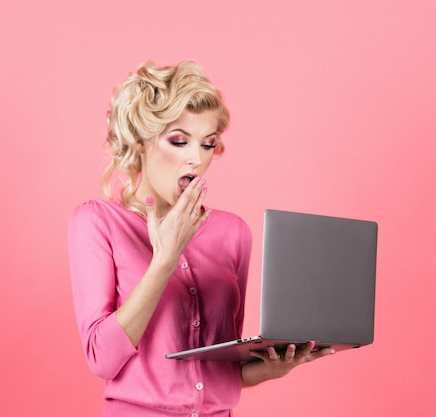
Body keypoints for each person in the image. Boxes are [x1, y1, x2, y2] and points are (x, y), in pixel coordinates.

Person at [68, 60, 334, 417]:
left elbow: (219, 367)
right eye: (179, 141)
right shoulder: (97, 223)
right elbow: (102, 359)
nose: (195, 158)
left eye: (207, 144)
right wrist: (164, 260)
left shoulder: (233, 233)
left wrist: (270, 369)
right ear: (141, 142)